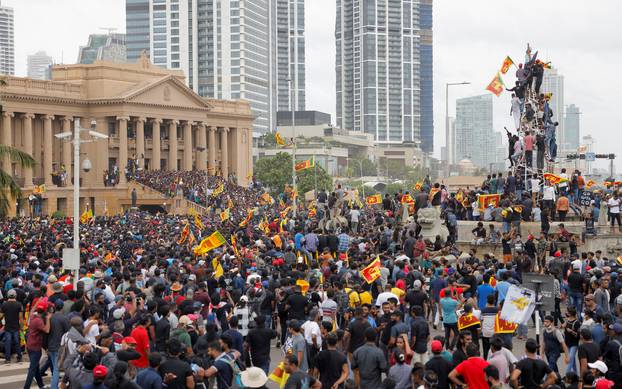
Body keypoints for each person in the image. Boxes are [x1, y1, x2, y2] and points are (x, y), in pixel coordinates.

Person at [23, 300, 51, 389]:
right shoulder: (39, 321)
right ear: (45, 311)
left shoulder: (33, 316)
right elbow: (47, 330)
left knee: (36, 367)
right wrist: (48, 318)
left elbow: (32, 310)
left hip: (30, 345)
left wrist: (37, 302)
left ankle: (41, 385)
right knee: (32, 369)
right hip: (35, 347)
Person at [1, 289, 22, 363]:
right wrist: (21, 327)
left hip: (8, 327)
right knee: (17, 342)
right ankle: (19, 357)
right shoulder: (19, 304)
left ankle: (8, 359)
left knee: (8, 342)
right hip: (16, 327)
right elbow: (20, 318)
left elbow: (1, 316)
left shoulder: (4, 304)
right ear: (15, 295)